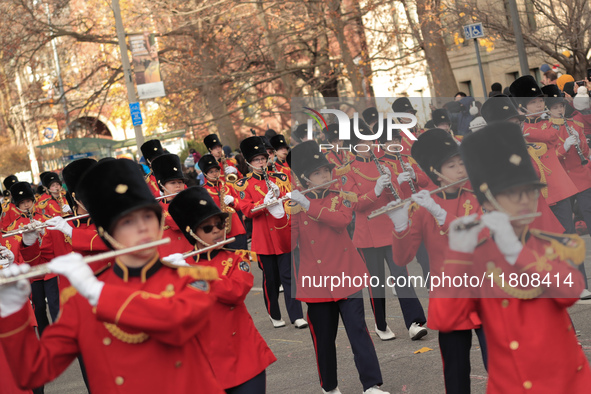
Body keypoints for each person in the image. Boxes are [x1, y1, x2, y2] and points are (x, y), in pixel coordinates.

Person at [0, 158, 223, 393]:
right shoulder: (80, 301)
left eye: (148, 216)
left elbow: (176, 324)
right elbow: (32, 372)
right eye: (127, 221)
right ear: (107, 231)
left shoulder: (191, 278)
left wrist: (98, 293)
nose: (142, 228)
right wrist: (12, 312)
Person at [438, 122, 591, 393]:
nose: (524, 200)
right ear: (486, 202)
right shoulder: (476, 257)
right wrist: (458, 256)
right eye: (511, 193)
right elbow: (448, 319)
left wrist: (517, 252)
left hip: (566, 380)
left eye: (529, 191)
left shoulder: (550, 243)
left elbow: (571, 290)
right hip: (513, 384)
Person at [385, 129, 487, 393]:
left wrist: (441, 215)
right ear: (434, 171)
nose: (460, 169)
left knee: (501, 364)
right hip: (450, 297)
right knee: (455, 371)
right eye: (451, 165)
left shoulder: (478, 192)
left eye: (462, 162)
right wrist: (399, 226)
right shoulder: (421, 206)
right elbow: (403, 257)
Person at [289, 141, 389, 394]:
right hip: (316, 282)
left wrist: (307, 205)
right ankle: (330, 387)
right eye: (317, 173)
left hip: (347, 274)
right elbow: (288, 243)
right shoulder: (295, 206)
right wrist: (280, 215)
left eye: (326, 171)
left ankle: (371, 385)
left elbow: (341, 221)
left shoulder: (342, 197)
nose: (325, 176)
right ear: (304, 178)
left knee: (358, 331)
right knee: (324, 338)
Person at [167, 186, 276, 393]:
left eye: (219, 224)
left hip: (244, 356)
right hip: (204, 361)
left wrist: (193, 275)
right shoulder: (180, 265)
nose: (217, 230)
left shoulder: (237, 258)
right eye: (207, 228)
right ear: (191, 233)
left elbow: (234, 292)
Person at [339, 120, 427, 341]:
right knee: (376, 283)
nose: (367, 145)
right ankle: (380, 324)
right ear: (352, 146)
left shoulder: (383, 165)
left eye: (369, 140)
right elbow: (355, 205)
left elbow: (394, 196)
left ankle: (414, 322)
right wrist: (376, 189)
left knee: (402, 277)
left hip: (389, 229)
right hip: (367, 233)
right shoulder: (345, 172)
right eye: (361, 142)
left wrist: (394, 182)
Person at [233, 136, 307, 329]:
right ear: (249, 162)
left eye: (263, 159)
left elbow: (289, 203)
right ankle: (274, 314)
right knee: (271, 280)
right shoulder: (243, 184)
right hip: (264, 238)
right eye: (257, 160)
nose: (261, 163)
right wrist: (265, 203)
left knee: (289, 276)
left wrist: (288, 198)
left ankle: (297, 315)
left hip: (282, 234)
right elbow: (248, 211)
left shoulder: (280, 178)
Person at [510, 75, 579, 234]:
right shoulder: (523, 129)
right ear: (522, 106)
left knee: (568, 233)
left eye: (540, 101)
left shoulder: (546, 122)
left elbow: (552, 137)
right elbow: (549, 137)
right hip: (539, 191)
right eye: (533, 102)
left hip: (557, 186)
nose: (539, 105)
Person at [540, 84, 591, 298]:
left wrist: (577, 143)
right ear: (548, 109)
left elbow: (586, 152)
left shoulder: (574, 125)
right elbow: (548, 158)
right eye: (555, 107)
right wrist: (564, 148)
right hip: (562, 182)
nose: (560, 110)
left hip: (582, 178)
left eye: (561, 106)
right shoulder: (544, 131)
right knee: (568, 230)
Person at [198, 154, 248, 250]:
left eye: (217, 171)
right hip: (217, 233)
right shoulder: (202, 191)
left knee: (241, 260)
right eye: (211, 172)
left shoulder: (228, 186)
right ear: (205, 174)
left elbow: (240, 205)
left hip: (235, 229)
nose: (215, 174)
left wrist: (233, 201)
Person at [150, 153, 194, 255]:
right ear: (162, 186)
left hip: (190, 252)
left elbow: (177, 224)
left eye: (180, 182)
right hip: (168, 255)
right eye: (172, 183)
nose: (178, 186)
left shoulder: (190, 201)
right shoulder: (156, 206)